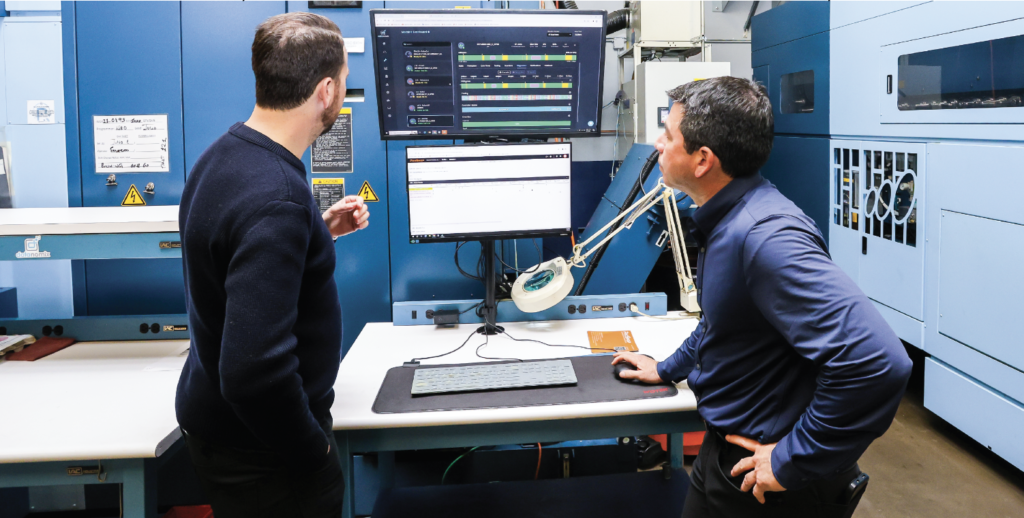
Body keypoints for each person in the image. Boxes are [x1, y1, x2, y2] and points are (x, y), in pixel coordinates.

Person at [612, 76, 912, 517]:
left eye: (669, 136)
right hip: (724, 454)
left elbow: (878, 363)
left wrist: (793, 458)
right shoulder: (727, 220)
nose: (659, 144)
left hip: (766, 482)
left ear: (703, 160)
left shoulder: (766, 238)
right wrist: (666, 368)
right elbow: (721, 322)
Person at [175, 12, 368, 518]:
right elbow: (253, 373)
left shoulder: (225, 155)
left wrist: (316, 232)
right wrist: (314, 453)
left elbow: (235, 256)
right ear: (326, 91)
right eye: (345, 81)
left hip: (225, 431)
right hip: (268, 456)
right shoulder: (278, 197)